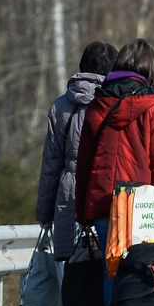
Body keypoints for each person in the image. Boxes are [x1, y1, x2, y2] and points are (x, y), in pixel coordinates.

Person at [73, 38, 154, 306]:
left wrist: (82, 212)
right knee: (144, 273)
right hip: (144, 206)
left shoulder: (97, 105)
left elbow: (84, 164)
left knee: (111, 273)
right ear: (151, 69)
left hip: (105, 202)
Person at [36, 41, 116, 261]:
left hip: (70, 194)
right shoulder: (119, 102)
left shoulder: (61, 106)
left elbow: (51, 164)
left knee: (76, 271)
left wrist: (45, 212)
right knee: (113, 267)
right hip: (109, 191)